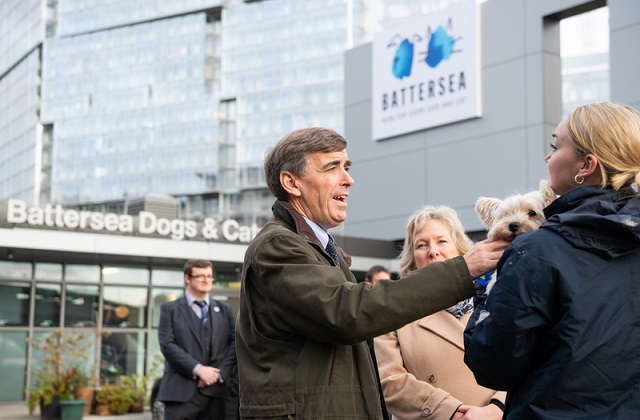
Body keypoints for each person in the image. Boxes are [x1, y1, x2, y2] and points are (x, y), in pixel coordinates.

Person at [235, 127, 507, 419]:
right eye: (332, 168)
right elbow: (349, 311)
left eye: (347, 167)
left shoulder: (321, 249)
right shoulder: (278, 246)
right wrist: (465, 268)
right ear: (292, 182)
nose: (349, 180)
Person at [464, 102, 640, 419]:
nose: (547, 158)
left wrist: (484, 292)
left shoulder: (537, 251)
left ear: (586, 165)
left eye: (554, 146)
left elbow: (492, 365)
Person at [375, 205, 505, 420]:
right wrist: (452, 412)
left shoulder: (495, 300)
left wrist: (497, 408)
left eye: (442, 241)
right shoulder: (395, 312)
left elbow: (527, 362)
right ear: (412, 258)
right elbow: (389, 380)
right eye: (422, 245)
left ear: (461, 250)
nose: (433, 251)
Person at [157, 259, 237, 420]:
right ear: (188, 278)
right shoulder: (170, 309)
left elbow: (235, 344)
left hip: (216, 392)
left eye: (209, 276)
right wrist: (199, 370)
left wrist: (215, 374)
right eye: (200, 276)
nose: (206, 280)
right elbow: (167, 345)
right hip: (180, 393)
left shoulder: (224, 309)